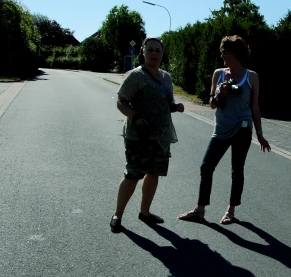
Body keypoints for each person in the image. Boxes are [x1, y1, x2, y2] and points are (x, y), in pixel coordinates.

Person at [179, 35, 270, 225]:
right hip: (221, 128)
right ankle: (200, 209)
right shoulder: (218, 73)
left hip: (242, 128)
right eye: (221, 51)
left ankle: (231, 210)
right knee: (206, 166)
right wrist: (221, 93)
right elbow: (212, 104)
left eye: (225, 51)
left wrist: (260, 135)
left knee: (237, 170)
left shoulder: (251, 76)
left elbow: (254, 107)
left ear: (236, 53)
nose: (222, 55)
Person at [110, 37, 184, 232]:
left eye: (157, 50)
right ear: (143, 52)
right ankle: (118, 214)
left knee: (154, 174)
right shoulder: (135, 76)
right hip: (138, 136)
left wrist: (176, 107)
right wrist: (134, 116)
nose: (154, 53)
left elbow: (167, 104)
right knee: (133, 175)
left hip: (161, 136)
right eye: (150, 50)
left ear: (162, 53)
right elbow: (121, 102)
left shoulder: (166, 77)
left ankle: (145, 212)